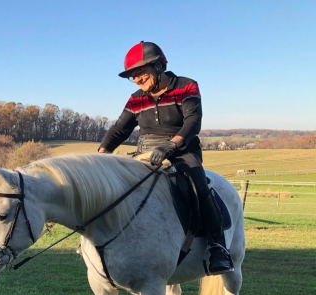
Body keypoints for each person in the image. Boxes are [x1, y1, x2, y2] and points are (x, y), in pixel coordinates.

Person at [98, 41, 233, 274]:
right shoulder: (135, 98)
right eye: (133, 76)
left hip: (182, 151)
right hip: (144, 154)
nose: (137, 79)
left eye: (140, 72)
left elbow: (193, 122)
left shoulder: (187, 86)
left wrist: (171, 145)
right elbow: (120, 129)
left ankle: (218, 246)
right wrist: (101, 154)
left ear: (159, 66)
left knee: (199, 187)